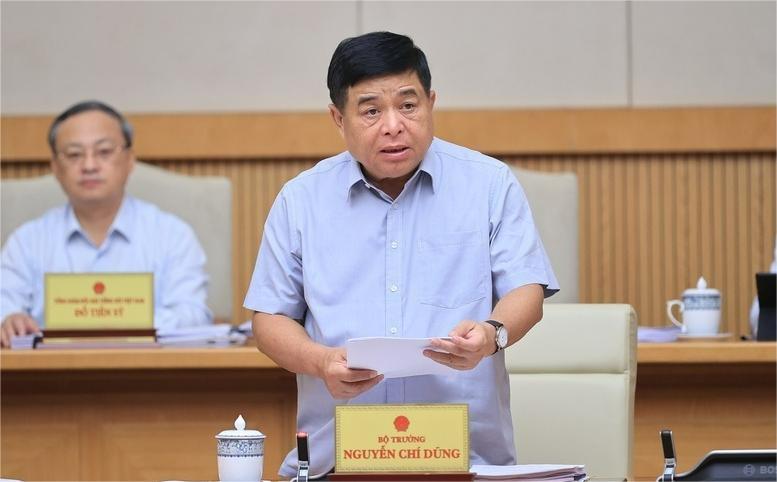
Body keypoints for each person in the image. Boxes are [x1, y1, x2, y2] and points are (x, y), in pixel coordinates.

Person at [244, 31, 558, 477]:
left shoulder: (489, 185)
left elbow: (527, 290)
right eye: (371, 111)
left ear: (431, 102)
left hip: (466, 461)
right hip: (339, 463)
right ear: (338, 118)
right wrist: (321, 362)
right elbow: (269, 320)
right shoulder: (301, 200)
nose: (393, 125)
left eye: (408, 105)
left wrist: (491, 335)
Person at [1, 100, 212, 347]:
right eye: (74, 154)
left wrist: (112, 329)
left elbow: (194, 315)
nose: (89, 166)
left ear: (130, 160)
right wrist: (9, 320)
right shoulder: (27, 241)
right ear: (56, 168)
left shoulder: (173, 235)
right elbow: (4, 307)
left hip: (150, 376)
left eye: (103, 152)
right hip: (48, 380)